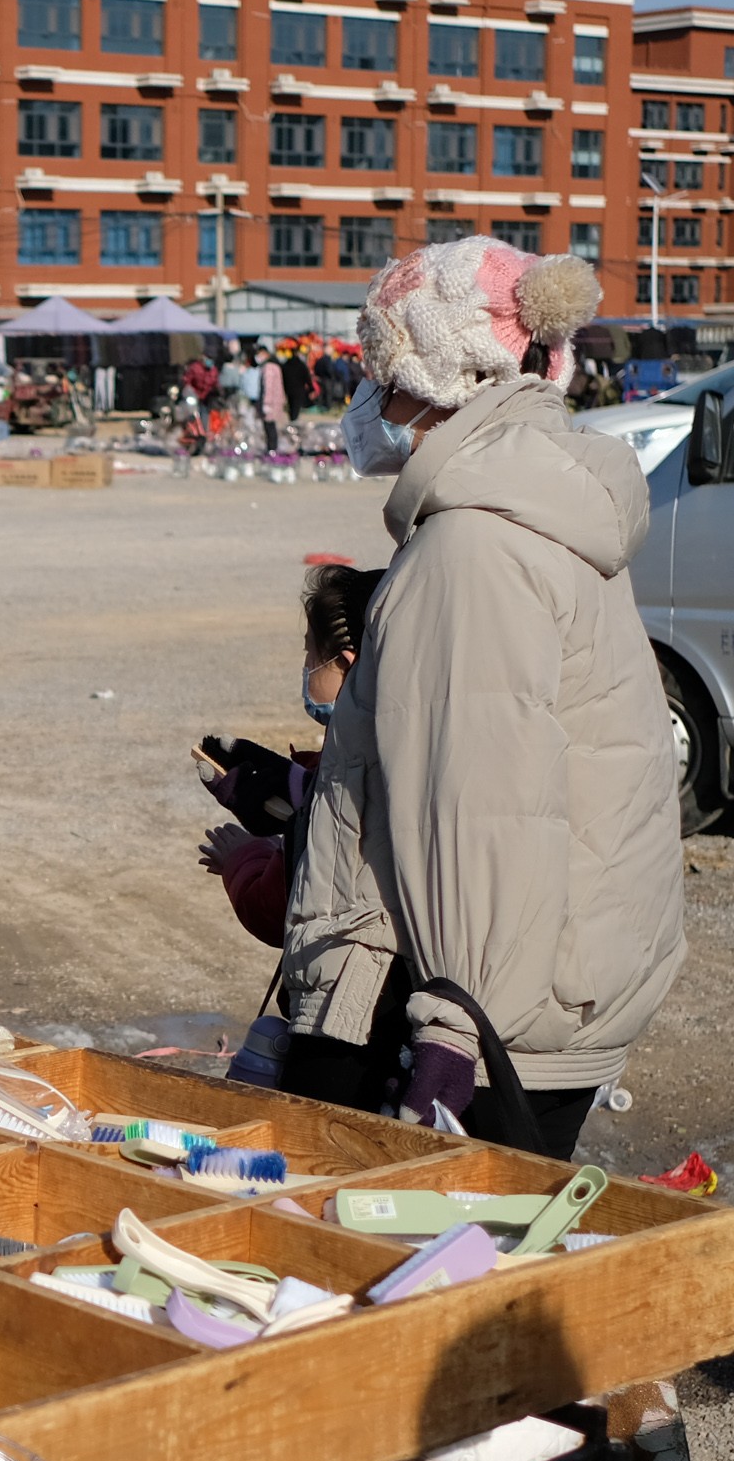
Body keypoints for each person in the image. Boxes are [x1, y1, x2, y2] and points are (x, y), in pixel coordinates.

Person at [277, 237, 685, 1159]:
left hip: (477, 1016)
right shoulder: (545, 499)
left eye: (387, 378)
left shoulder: (472, 548)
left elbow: (487, 813)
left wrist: (457, 1028)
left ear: (451, 375)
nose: (373, 407)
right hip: (548, 995)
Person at [198, 563, 382, 945]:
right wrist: (297, 782)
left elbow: (281, 910)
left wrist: (244, 859)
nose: (305, 669)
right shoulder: (402, 742)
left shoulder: (356, 778)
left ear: (346, 665)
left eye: (311, 655)